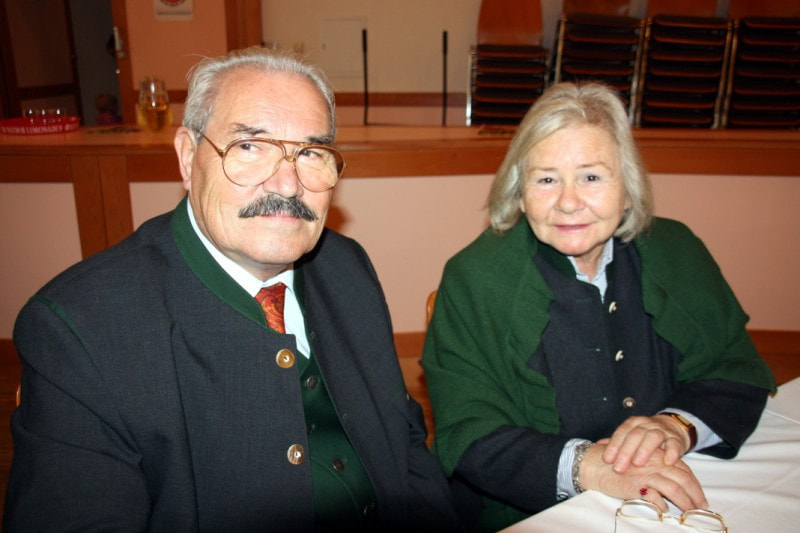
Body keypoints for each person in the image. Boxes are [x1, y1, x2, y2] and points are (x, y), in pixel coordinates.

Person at [5, 47, 457, 532]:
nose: (288, 184)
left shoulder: (347, 267)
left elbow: (403, 443)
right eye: (250, 146)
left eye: (311, 152)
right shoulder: (79, 328)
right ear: (187, 157)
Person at [421, 82, 777, 531]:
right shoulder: (474, 279)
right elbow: (467, 430)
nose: (569, 202)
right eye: (546, 179)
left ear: (628, 189)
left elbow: (736, 367)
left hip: (672, 499)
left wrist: (675, 425)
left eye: (591, 177)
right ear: (519, 194)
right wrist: (587, 466)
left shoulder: (677, 250)